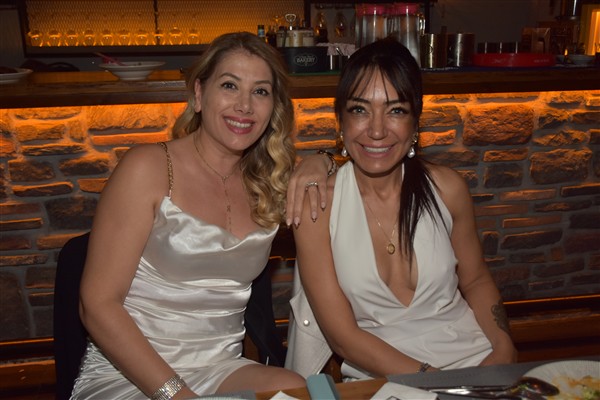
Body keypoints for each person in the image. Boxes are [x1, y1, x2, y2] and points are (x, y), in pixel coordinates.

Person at [71, 32, 330, 399]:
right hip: (129, 373)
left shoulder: (270, 180)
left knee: (295, 390)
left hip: (220, 368)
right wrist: (178, 395)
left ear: (273, 107)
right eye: (229, 85)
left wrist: (324, 160)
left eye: (260, 91)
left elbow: (358, 172)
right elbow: (97, 306)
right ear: (198, 93)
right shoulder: (148, 168)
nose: (244, 106)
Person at [285, 38, 517, 380]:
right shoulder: (316, 205)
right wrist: (437, 381)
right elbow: (343, 337)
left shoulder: (448, 188)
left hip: (476, 361)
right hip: (382, 378)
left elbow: (477, 279)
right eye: (360, 110)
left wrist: (503, 346)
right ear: (340, 121)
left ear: (415, 123)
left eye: (396, 110)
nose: (377, 130)